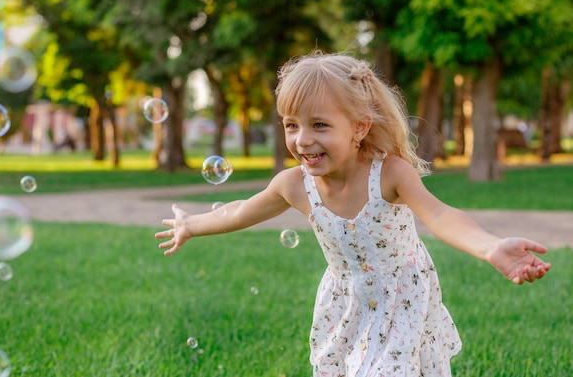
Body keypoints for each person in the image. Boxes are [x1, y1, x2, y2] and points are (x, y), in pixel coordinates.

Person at [155, 51, 551, 377]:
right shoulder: (294, 184)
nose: (302, 139)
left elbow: (442, 216)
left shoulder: (389, 173)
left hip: (401, 297)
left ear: (359, 128)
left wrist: (491, 247)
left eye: (320, 125)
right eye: (291, 125)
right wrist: (191, 225)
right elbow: (240, 211)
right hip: (345, 299)